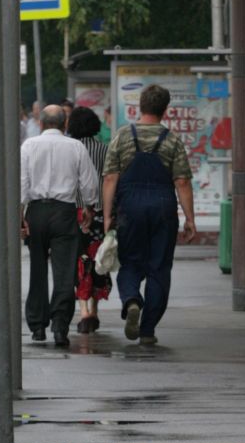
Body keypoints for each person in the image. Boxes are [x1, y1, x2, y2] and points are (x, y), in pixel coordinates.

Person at [101, 84, 198, 345]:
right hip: (163, 208)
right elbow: (182, 182)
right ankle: (147, 330)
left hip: (129, 208)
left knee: (130, 262)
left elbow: (110, 178)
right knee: (158, 268)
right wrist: (190, 218)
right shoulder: (172, 140)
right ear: (165, 109)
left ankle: (132, 299)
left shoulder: (122, 136)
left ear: (141, 106)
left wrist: (108, 214)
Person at [20, 103, 100, 347]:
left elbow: (21, 182)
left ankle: (37, 326)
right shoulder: (75, 147)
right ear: (65, 124)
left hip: (37, 211)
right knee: (64, 271)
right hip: (65, 212)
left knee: (37, 268)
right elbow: (88, 183)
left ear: (41, 123)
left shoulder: (28, 146)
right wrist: (89, 207)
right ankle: (60, 326)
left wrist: (20, 215)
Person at [67, 104, 111, 334]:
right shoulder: (105, 150)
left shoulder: (70, 149)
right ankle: (94, 308)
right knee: (98, 259)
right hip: (101, 213)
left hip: (75, 212)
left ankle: (83, 309)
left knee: (79, 259)